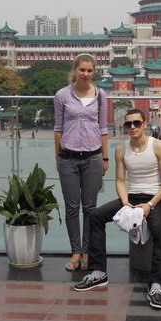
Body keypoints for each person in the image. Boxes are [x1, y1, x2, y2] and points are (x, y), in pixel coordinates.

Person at [73, 109, 161, 309]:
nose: (132, 127)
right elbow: (120, 180)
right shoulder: (121, 149)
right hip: (132, 198)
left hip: (154, 199)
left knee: (160, 230)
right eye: (128, 124)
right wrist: (125, 203)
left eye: (137, 123)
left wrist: (150, 205)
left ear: (145, 123)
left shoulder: (158, 146)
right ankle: (98, 272)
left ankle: (156, 285)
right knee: (96, 216)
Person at [54, 53, 109, 271]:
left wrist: (105, 157)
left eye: (89, 70)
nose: (85, 74)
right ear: (75, 70)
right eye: (82, 70)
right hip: (68, 158)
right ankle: (75, 251)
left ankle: (87, 251)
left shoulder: (100, 95)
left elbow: (103, 128)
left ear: (94, 72)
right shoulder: (62, 95)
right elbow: (58, 128)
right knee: (71, 208)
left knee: (90, 208)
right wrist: (58, 158)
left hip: (93, 157)